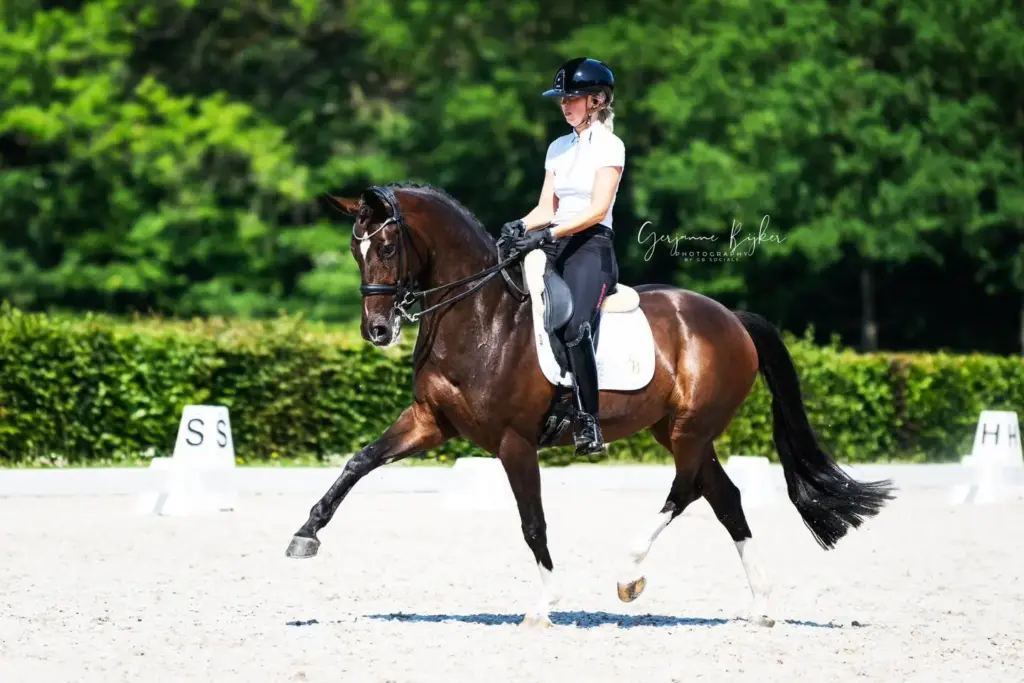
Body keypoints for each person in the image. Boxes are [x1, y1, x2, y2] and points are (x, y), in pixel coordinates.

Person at [502, 56, 624, 457]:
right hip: (553, 240)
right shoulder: (557, 147)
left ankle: (588, 419)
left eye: (572, 98)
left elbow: (595, 208)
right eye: (562, 99)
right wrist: (518, 227)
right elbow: (545, 207)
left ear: (597, 100)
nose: (564, 105)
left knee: (574, 326)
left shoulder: (610, 146)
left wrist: (547, 233)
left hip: (592, 247)